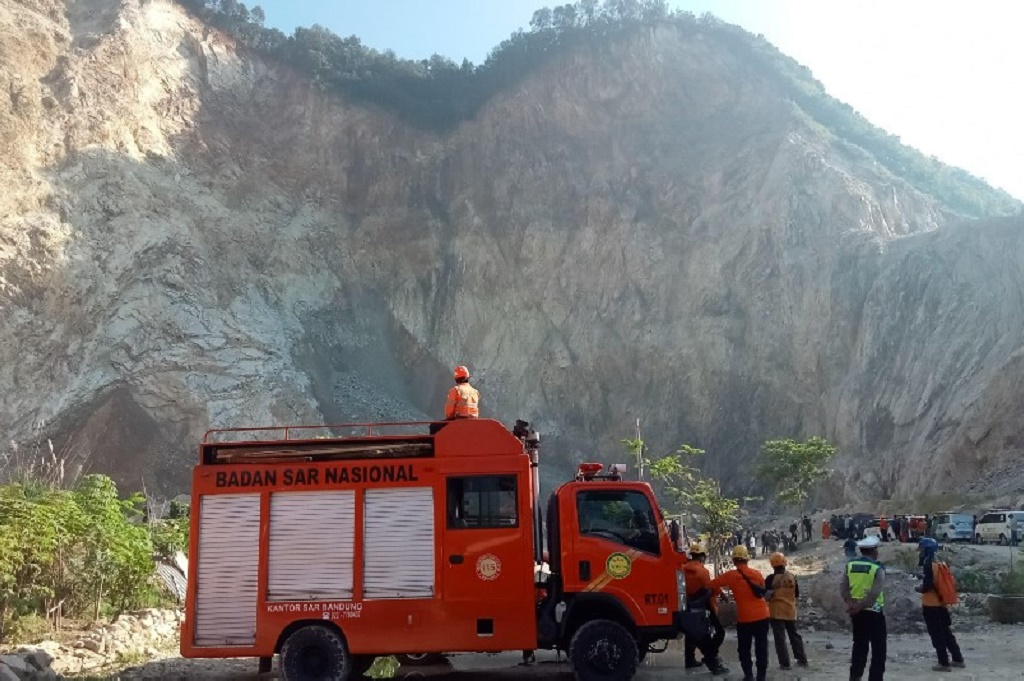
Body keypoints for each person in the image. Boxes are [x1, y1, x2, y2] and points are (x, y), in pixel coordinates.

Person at [711, 545, 770, 681]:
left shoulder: (731, 576)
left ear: (733, 561)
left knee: (744, 648)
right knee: (761, 647)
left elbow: (710, 584)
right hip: (762, 615)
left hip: (745, 618)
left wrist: (720, 593)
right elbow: (762, 589)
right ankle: (761, 677)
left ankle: (748, 675)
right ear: (747, 559)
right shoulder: (757, 573)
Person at [915, 537, 964, 672]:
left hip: (931, 605)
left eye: (922, 549)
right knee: (946, 633)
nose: (920, 552)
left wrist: (919, 588)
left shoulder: (928, 564)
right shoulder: (940, 563)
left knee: (936, 634)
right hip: (942, 603)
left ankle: (943, 663)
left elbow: (929, 585)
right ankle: (958, 659)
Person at [842, 536, 886, 681]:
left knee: (859, 645)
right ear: (873, 551)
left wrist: (852, 605)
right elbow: (874, 593)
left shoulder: (850, 566)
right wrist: (861, 606)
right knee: (878, 648)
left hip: (856, 614)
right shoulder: (877, 568)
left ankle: (855, 676)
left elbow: (844, 588)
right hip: (874, 612)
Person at [682, 544, 729, 675]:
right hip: (703, 607)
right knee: (718, 633)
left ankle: (690, 659)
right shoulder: (703, 572)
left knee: (690, 632)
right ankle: (711, 656)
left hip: (685, 606)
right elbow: (710, 588)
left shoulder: (681, 569)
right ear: (702, 556)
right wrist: (722, 594)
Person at [766, 552, 808, 671]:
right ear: (784, 562)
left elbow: (766, 596)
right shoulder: (792, 577)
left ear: (772, 565)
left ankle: (785, 664)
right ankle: (802, 659)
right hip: (790, 609)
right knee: (794, 635)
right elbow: (797, 594)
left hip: (776, 611)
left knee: (780, 639)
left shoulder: (770, 579)